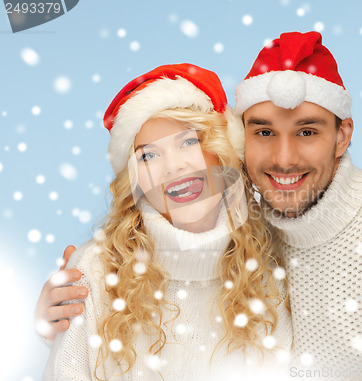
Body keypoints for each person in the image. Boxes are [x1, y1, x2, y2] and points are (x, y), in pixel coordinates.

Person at [38, 32, 362, 379]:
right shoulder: (250, 226)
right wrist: (52, 317)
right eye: (264, 132)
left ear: (342, 135)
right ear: (239, 142)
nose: (284, 159)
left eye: (307, 131)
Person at [41, 63, 292, 380]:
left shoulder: (271, 270)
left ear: (222, 151)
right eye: (148, 155)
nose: (173, 167)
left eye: (189, 142)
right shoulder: (96, 269)